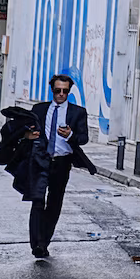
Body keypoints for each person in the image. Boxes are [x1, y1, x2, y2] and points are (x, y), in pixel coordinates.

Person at [25, 75, 97, 258]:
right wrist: (28, 136)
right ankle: (36, 243)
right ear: (52, 90)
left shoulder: (77, 112)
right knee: (37, 201)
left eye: (65, 91)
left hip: (62, 162)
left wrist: (71, 135)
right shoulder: (39, 109)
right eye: (58, 90)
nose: (61, 94)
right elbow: (25, 130)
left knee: (54, 203)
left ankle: (43, 243)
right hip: (40, 160)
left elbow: (83, 138)